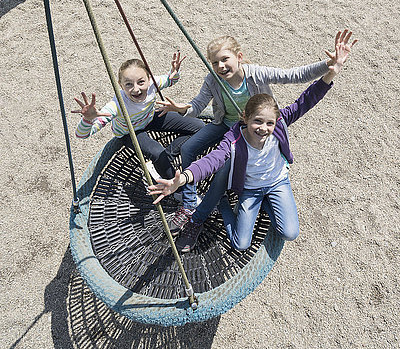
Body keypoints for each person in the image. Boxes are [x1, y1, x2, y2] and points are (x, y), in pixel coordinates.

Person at [149, 30, 356, 252]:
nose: (220, 66)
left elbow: (300, 87)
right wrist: (183, 178)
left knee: (287, 230)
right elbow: (212, 157)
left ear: (239, 57)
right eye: (215, 62)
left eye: (225, 59)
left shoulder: (271, 110)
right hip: (232, 133)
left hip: (270, 164)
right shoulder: (232, 127)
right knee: (211, 163)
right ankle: (195, 211)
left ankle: (227, 200)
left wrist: (329, 68)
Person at [72, 52, 204, 181]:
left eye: (141, 82)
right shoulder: (116, 105)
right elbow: (81, 135)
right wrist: (88, 119)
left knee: (199, 127)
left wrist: (174, 71)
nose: (136, 89)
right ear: (120, 85)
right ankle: (176, 189)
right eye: (128, 84)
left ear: (149, 79)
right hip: (130, 132)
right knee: (158, 153)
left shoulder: (154, 83)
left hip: (151, 117)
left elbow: (171, 80)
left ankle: (167, 155)